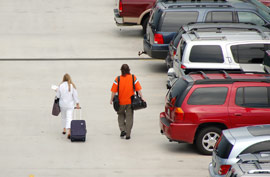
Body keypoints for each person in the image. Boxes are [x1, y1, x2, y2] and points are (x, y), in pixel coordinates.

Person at [110, 64, 144, 140]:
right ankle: (128, 134)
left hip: (120, 102)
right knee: (129, 118)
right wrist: (142, 98)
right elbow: (138, 89)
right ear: (129, 70)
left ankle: (122, 130)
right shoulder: (133, 77)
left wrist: (111, 99)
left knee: (120, 115)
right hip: (130, 103)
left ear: (121, 70)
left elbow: (113, 91)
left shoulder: (117, 79)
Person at [56, 73, 80, 139]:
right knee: (69, 117)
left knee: (63, 117)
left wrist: (56, 90)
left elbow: (58, 96)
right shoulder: (72, 86)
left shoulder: (60, 86)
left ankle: (64, 129)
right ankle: (69, 131)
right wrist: (77, 103)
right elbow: (75, 95)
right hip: (70, 105)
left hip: (62, 104)